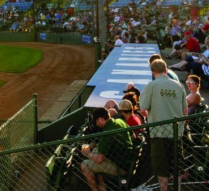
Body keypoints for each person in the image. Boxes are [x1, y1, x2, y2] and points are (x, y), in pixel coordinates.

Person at [139, 60, 188, 191]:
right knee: (176, 165)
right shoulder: (179, 85)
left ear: (153, 72)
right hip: (176, 131)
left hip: (159, 132)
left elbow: (143, 109)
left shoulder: (152, 86)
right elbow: (185, 111)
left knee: (161, 167)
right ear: (166, 70)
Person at [80, 108, 134, 191]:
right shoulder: (119, 121)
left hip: (120, 167)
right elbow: (133, 136)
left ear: (101, 119)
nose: (96, 124)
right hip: (128, 161)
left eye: (96, 122)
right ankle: (102, 186)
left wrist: (86, 153)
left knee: (84, 165)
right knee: (95, 151)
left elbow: (99, 160)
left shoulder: (107, 132)